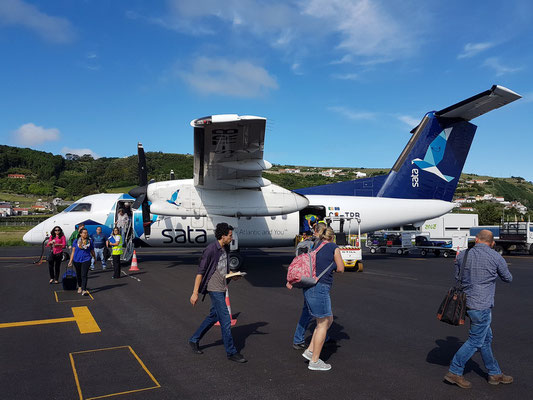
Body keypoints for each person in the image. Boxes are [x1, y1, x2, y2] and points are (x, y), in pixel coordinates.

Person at [444, 230, 513, 388]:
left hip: (466, 304)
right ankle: (455, 371)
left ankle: (494, 373)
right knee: (475, 341)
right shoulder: (496, 257)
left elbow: (457, 277)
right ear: (492, 243)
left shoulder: (463, 255)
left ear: (476, 240)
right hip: (482, 305)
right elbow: (508, 278)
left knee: (485, 339)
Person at [189, 223, 247, 363]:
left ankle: (194, 339)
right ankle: (231, 352)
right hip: (214, 288)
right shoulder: (211, 249)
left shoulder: (225, 248)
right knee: (225, 320)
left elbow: (223, 270)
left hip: (222, 286)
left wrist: (234, 275)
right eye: (230, 235)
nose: (231, 238)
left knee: (214, 316)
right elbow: (200, 272)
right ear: (223, 236)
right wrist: (195, 293)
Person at [288, 226, 344, 371]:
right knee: (323, 323)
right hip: (320, 288)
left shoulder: (315, 245)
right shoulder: (333, 247)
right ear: (332, 237)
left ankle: (310, 351)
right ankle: (315, 361)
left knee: (328, 319)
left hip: (309, 286)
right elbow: (341, 268)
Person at [291, 223, 332, 350]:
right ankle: (299, 339)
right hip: (315, 281)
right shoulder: (318, 244)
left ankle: (322, 336)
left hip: (306, 279)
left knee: (316, 312)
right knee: (314, 313)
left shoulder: (306, 242)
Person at [68, 228, 95, 296]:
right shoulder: (76, 241)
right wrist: (70, 261)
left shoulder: (89, 241)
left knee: (84, 274)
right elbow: (73, 252)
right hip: (77, 260)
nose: (86, 234)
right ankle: (80, 286)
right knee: (78, 274)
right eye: (84, 233)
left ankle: (84, 289)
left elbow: (92, 251)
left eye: (86, 233)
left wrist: (94, 258)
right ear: (80, 234)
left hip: (86, 259)